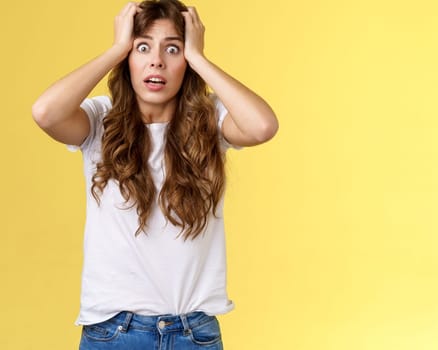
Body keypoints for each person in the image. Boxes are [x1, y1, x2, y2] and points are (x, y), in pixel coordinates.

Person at [32, 0, 278, 348]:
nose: (157, 60)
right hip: (114, 333)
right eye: (142, 47)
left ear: (187, 61)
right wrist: (116, 48)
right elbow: (45, 112)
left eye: (173, 49)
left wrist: (200, 58)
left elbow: (263, 126)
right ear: (127, 60)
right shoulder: (101, 120)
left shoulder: (212, 122)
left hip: (193, 334)